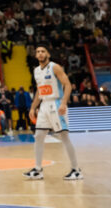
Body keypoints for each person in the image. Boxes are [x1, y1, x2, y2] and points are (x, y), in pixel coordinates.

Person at [23, 44, 82, 181]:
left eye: (43, 51)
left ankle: (76, 170)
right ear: (35, 55)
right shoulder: (36, 70)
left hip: (56, 104)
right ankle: (38, 170)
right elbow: (39, 90)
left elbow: (67, 84)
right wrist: (32, 107)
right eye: (38, 51)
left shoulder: (55, 67)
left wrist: (63, 103)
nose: (40, 53)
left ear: (48, 54)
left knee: (64, 137)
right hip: (44, 105)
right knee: (38, 136)